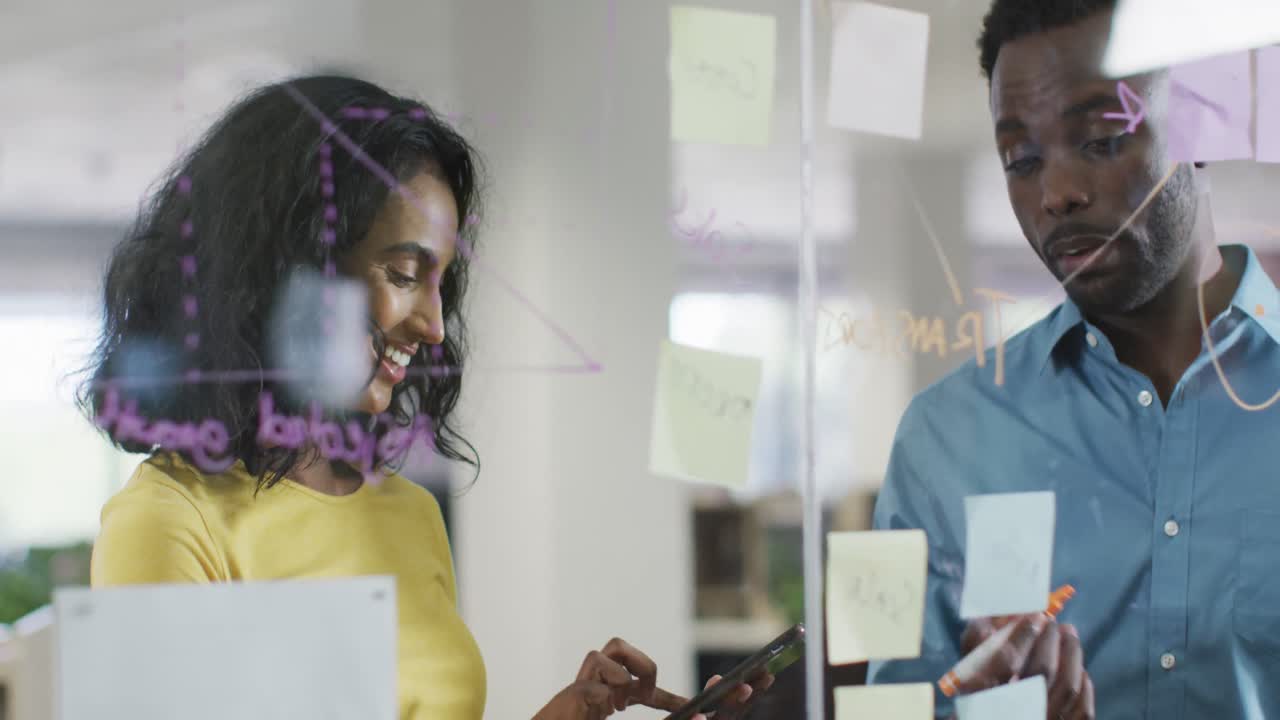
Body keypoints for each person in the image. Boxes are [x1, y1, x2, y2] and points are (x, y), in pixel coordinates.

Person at [79, 75, 767, 720]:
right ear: (288, 273)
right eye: (405, 273)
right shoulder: (166, 525)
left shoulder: (406, 514)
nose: (435, 325)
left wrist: (572, 711)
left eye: (441, 283)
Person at [866, 1, 1280, 718]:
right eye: (1021, 160)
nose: (1056, 194)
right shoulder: (941, 442)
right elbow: (890, 707)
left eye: (1097, 139)